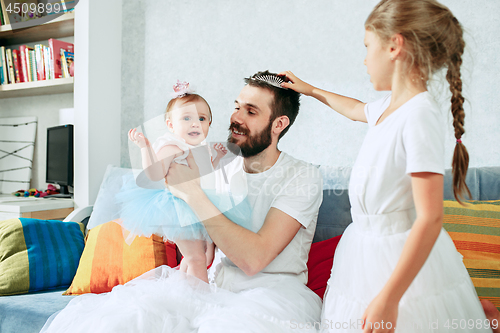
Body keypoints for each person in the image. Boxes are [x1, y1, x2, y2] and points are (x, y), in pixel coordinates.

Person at [40, 71, 324, 333]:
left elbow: (253, 260)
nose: (236, 117)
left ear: (279, 124)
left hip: (270, 295)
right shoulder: (221, 163)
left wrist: (191, 192)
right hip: (209, 287)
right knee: (116, 322)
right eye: (237, 106)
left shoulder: (302, 176)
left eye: (250, 111)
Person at [280, 0, 490, 332]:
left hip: (395, 258)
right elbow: (353, 108)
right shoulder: (389, 107)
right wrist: (310, 89)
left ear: (394, 46)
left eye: (368, 47)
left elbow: (431, 216)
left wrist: (390, 298)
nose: (364, 59)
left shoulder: (419, 116)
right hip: (362, 251)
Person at [117, 81, 240, 283]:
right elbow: (154, 174)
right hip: (177, 207)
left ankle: (181, 290)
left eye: (202, 118)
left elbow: (207, 174)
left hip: (200, 204)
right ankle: (199, 300)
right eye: (187, 118)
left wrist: (216, 157)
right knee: (196, 258)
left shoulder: (201, 148)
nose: (195, 123)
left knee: (198, 256)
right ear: (171, 125)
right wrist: (144, 148)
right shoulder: (173, 146)